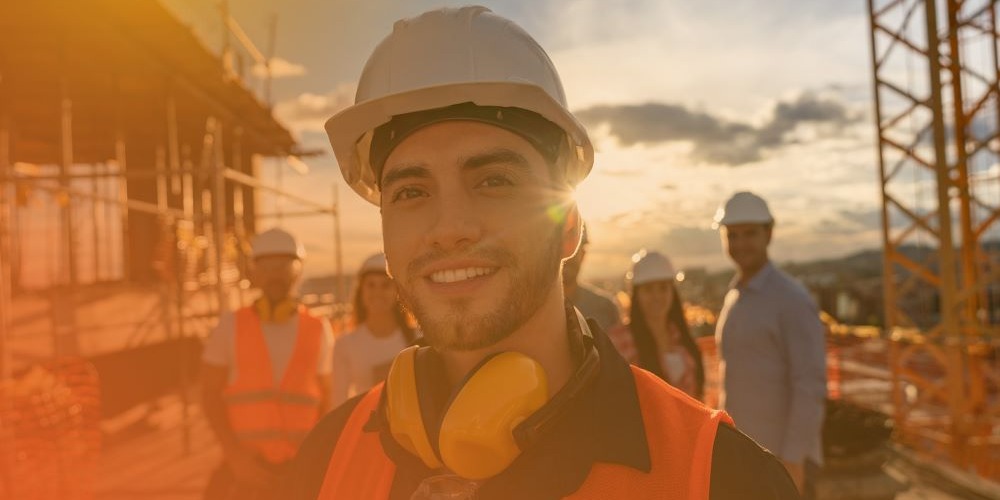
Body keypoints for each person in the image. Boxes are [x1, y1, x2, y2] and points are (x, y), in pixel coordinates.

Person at [286, 7, 799, 499]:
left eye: (494, 181)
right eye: (411, 192)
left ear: (568, 227)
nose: (448, 229)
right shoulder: (327, 459)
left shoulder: (720, 479)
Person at [200, 228, 334, 499]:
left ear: (297, 272)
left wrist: (315, 458)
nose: (275, 274)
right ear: (255, 272)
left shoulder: (319, 329)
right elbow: (209, 395)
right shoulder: (229, 326)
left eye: (284, 266)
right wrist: (235, 458)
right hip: (246, 472)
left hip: (300, 470)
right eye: (268, 266)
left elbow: (328, 400)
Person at [712, 191, 827, 498]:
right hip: (746, 456)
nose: (740, 244)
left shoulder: (791, 299)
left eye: (750, 234)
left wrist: (792, 460)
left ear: (769, 233)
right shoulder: (735, 297)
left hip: (781, 461)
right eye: (732, 235)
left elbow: (809, 384)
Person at [608, 250, 705, 400]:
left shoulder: (682, 338)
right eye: (648, 289)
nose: (657, 296)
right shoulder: (619, 341)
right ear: (636, 294)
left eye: (663, 288)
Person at [330, 253, 417, 408]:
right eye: (371, 285)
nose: (377, 292)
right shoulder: (345, 345)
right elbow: (339, 403)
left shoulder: (419, 340)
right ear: (361, 291)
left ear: (397, 292)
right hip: (365, 429)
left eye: (385, 285)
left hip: (411, 431)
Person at [562, 223, 622, 332]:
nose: (567, 258)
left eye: (573, 250)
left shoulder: (606, 309)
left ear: (583, 254)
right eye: (561, 249)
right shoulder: (530, 310)